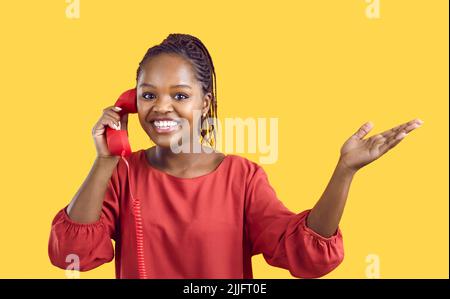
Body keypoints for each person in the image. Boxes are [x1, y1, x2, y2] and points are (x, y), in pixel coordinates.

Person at [48, 33, 423, 279]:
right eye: (148, 95)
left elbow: (305, 256)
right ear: (131, 102)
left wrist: (345, 171)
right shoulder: (122, 173)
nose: (161, 108)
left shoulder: (242, 178)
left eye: (180, 96)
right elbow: (71, 256)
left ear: (205, 103)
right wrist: (105, 159)